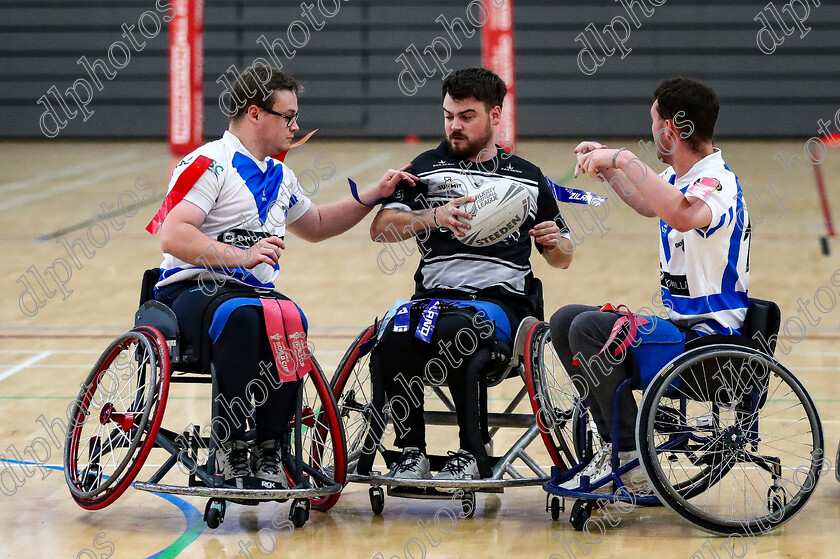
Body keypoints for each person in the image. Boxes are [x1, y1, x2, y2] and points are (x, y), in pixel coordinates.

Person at [153, 64, 418, 489]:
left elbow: (314, 225)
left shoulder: (280, 175)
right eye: (288, 116)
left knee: (289, 318)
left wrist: (373, 196)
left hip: (251, 297)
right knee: (243, 317)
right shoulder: (207, 163)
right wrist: (243, 255)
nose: (296, 126)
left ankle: (272, 448)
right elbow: (173, 235)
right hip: (192, 293)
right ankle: (234, 446)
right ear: (256, 114)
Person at [370, 67, 574, 483]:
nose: (454, 126)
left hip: (501, 305)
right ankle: (412, 452)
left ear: (495, 116)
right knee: (392, 336)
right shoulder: (425, 168)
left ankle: (471, 451)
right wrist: (432, 217)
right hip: (434, 298)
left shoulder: (528, 178)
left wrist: (555, 242)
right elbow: (381, 229)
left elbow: (563, 258)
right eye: (448, 115)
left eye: (466, 116)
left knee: (459, 332)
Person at [549, 77, 751, 489]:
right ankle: (616, 446)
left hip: (712, 341)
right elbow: (648, 202)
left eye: (653, 120)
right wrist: (608, 170)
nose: (651, 129)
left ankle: (627, 458)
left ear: (669, 129)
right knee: (565, 319)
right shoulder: (684, 176)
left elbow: (682, 215)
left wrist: (621, 157)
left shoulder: (716, 182)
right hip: (683, 333)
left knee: (589, 329)